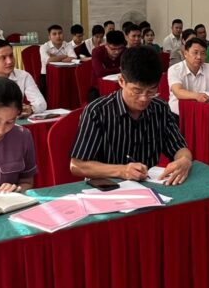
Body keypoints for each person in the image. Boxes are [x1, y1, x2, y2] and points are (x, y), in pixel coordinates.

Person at [70, 47, 193, 185]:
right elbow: (77, 165)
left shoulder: (160, 108)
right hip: (107, 187)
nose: (144, 98)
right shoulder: (97, 112)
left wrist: (184, 160)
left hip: (149, 186)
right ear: (121, 81)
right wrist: (121, 171)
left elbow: (179, 148)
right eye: (137, 91)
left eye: (151, 91)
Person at [168, 37, 209, 115]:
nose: (199, 57)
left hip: (203, 112)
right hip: (179, 115)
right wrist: (197, 96)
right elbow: (178, 91)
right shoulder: (175, 69)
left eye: (202, 53)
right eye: (195, 53)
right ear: (185, 54)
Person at [90, 30, 127, 98]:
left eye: (119, 48)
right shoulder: (97, 51)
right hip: (98, 87)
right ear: (106, 45)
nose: (117, 52)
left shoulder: (125, 51)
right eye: (113, 49)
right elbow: (99, 72)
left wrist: (107, 70)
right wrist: (119, 69)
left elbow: (128, 70)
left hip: (120, 86)